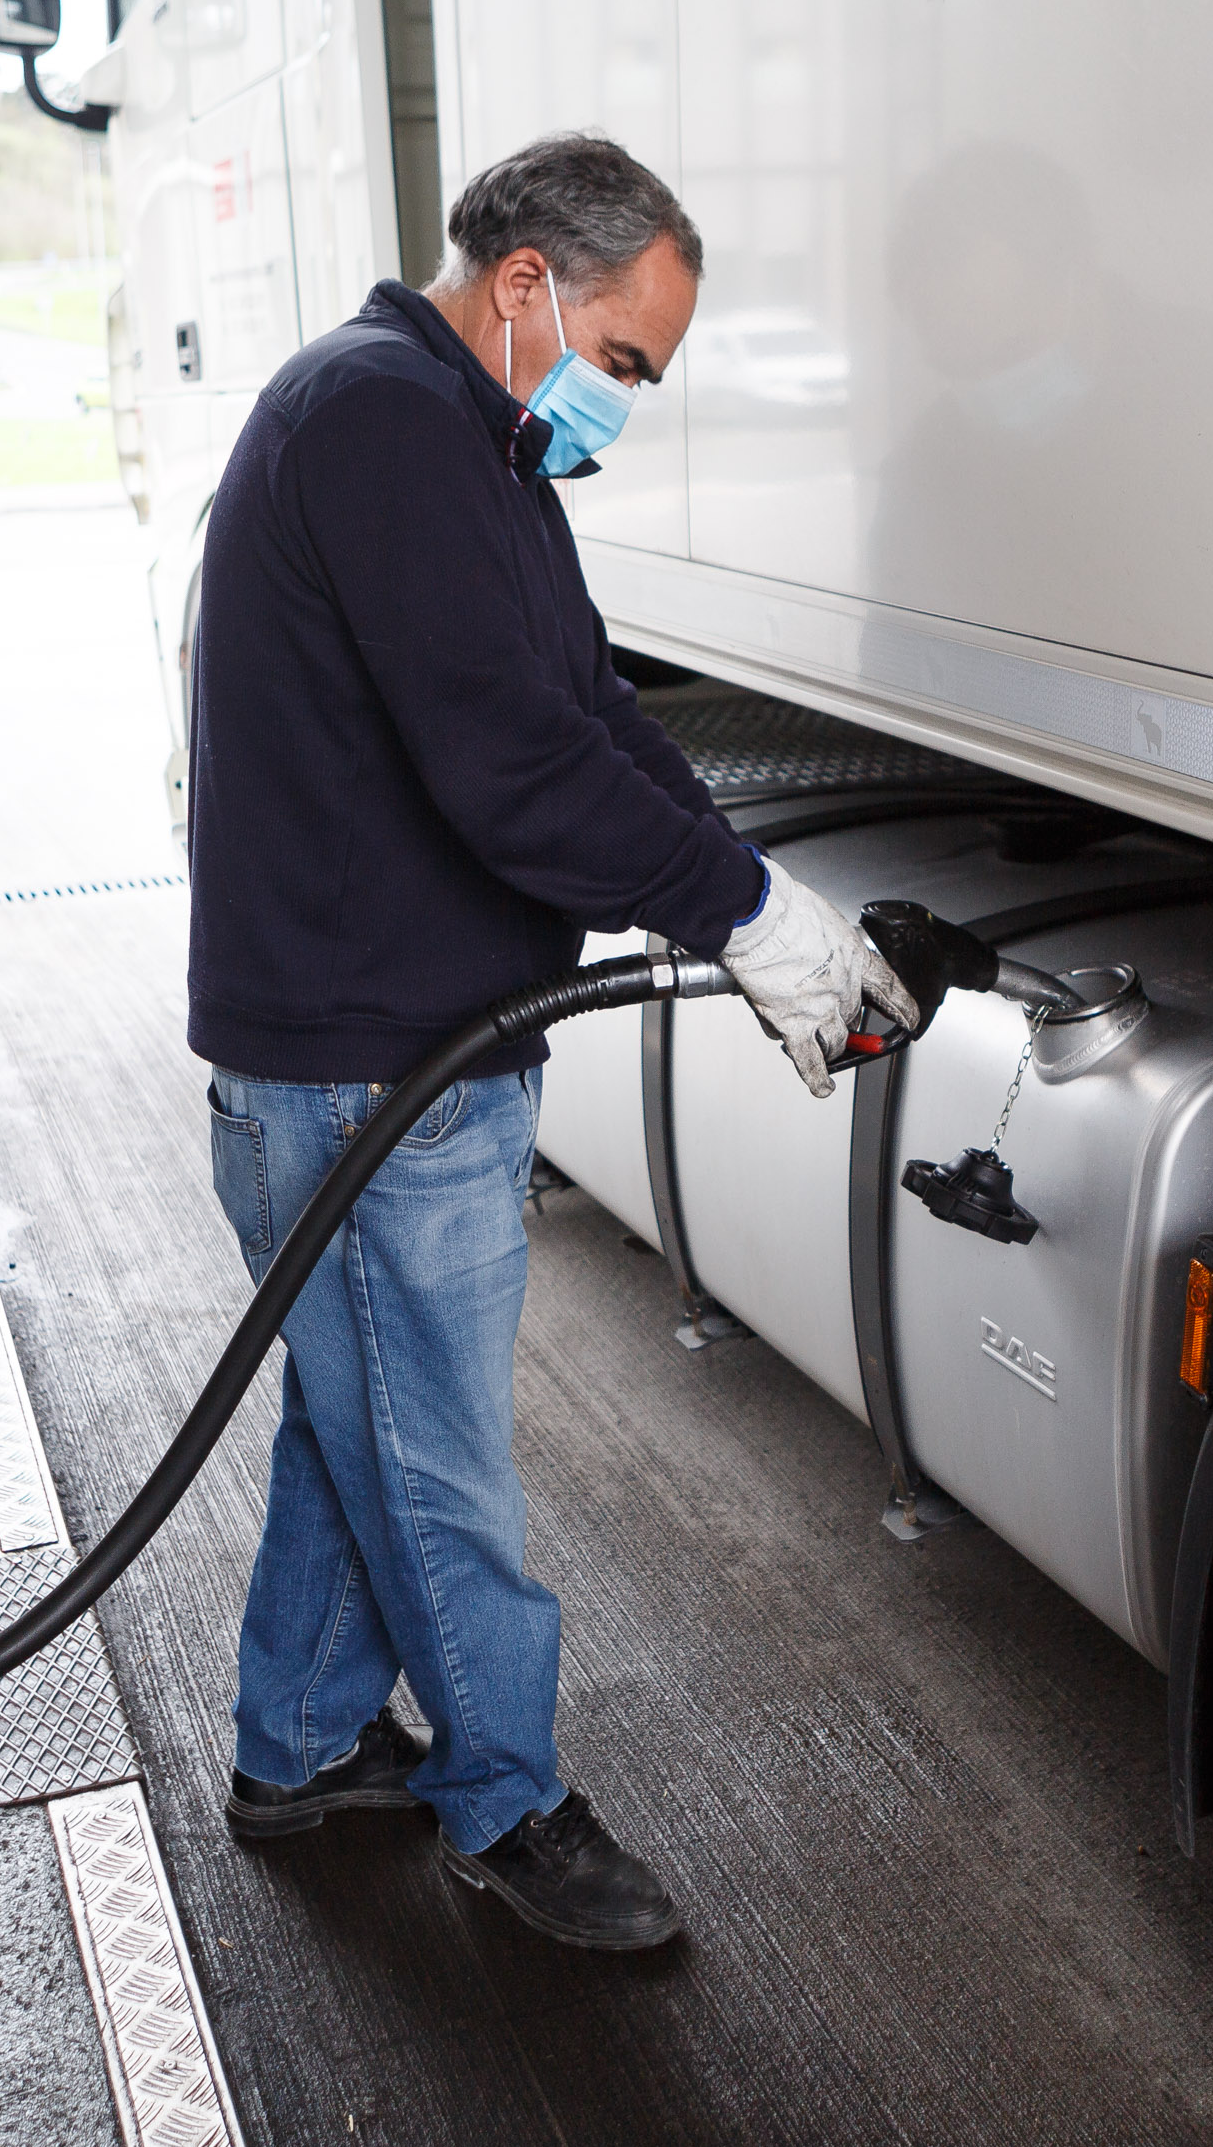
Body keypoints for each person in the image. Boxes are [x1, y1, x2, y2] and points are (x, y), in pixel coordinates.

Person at [183, 133, 913, 1951]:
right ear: (525, 286)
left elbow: (587, 714)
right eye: (624, 357)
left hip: (387, 1046)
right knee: (432, 1462)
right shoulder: (384, 428)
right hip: (368, 1069)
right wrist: (741, 918)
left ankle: (299, 1740)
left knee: (360, 1414)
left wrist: (763, 899)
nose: (624, 402)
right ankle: (506, 1798)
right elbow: (512, 772)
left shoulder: (472, 446)